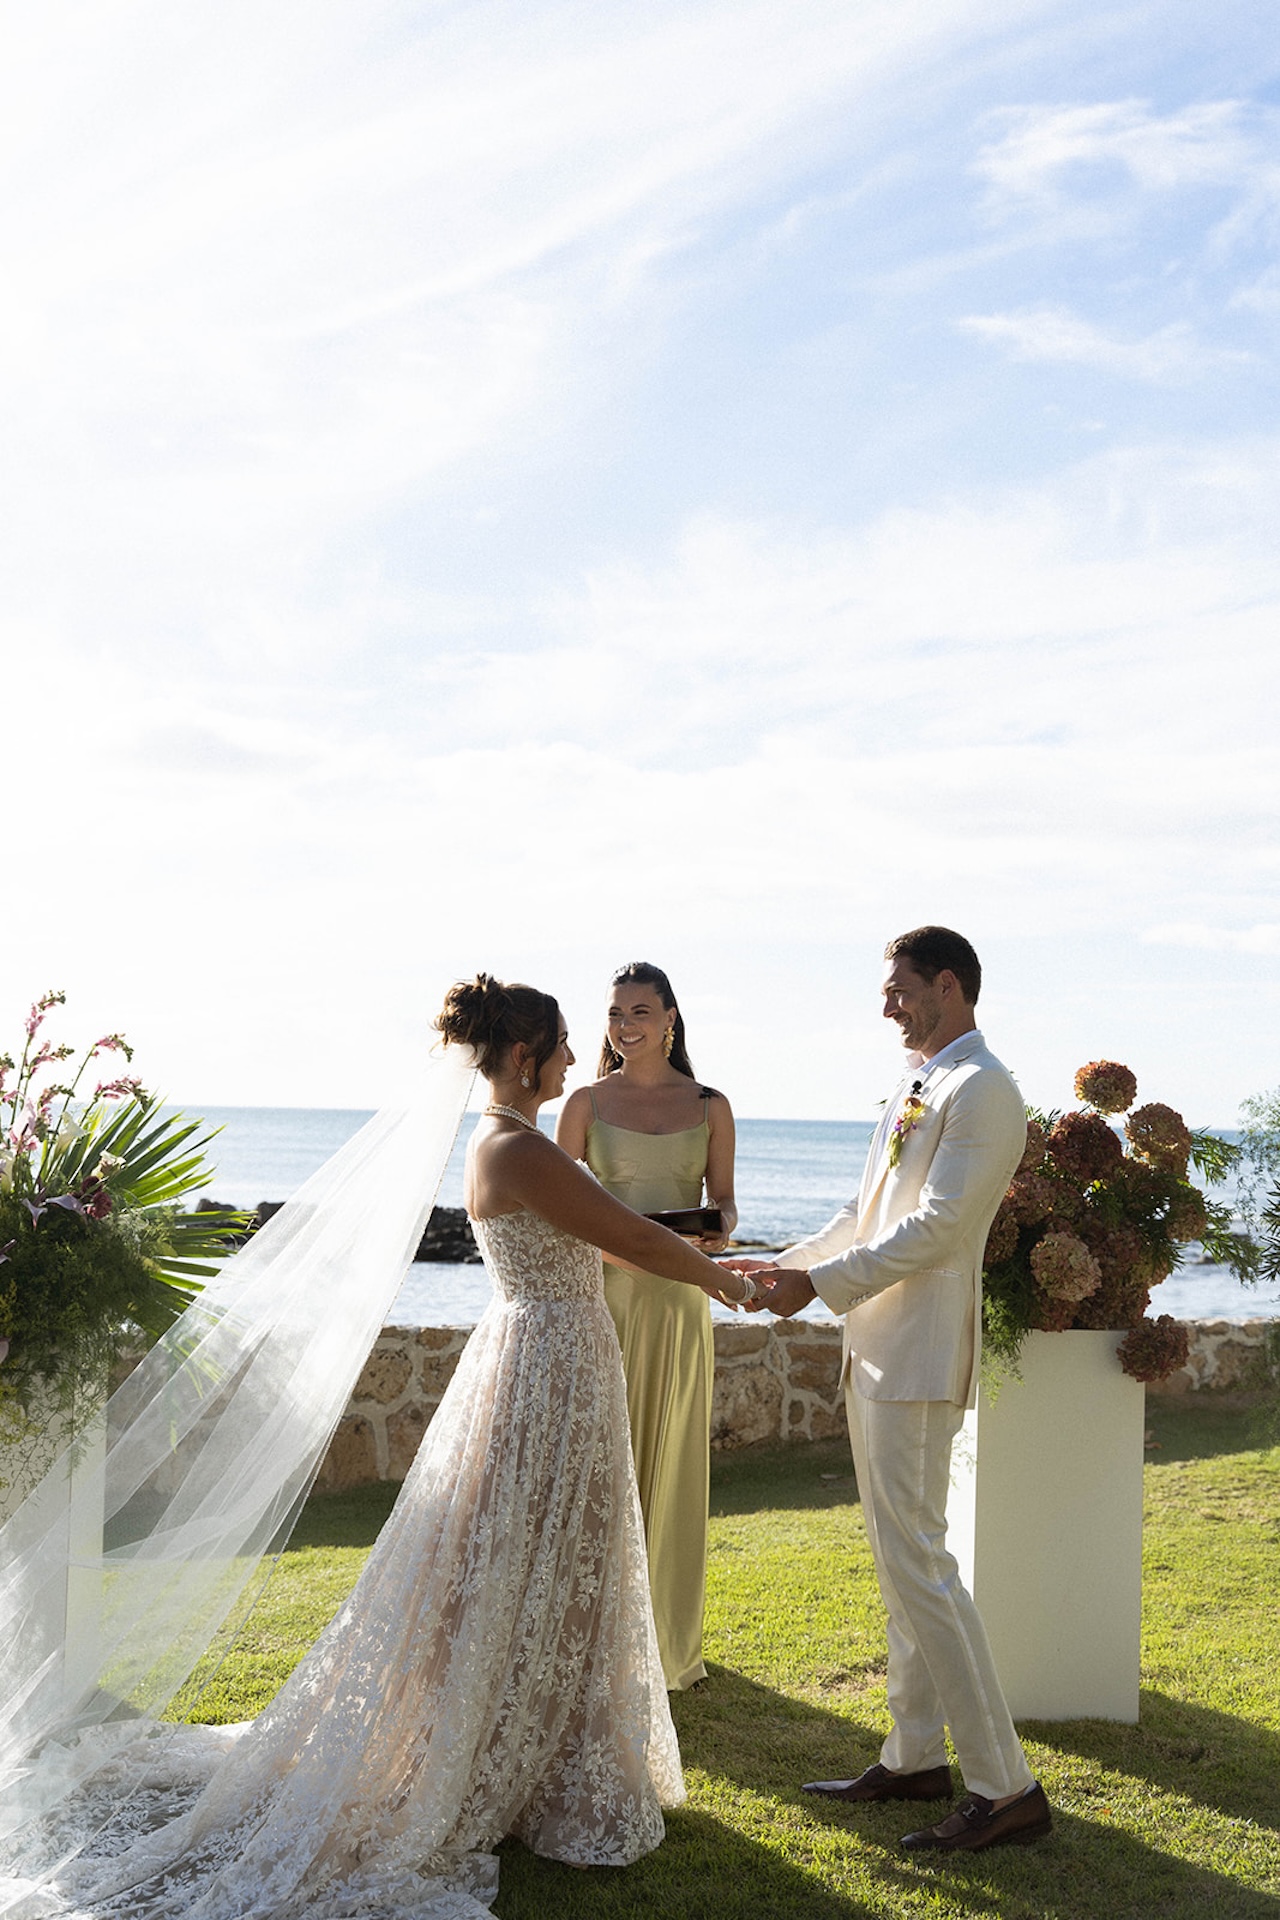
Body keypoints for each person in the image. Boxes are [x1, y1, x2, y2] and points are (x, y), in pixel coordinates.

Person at [0, 975, 762, 1920]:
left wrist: (712, 1263)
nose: (576, 1057)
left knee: (553, 1561)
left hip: (549, 1359)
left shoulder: (505, 1142)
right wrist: (739, 1285)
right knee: (544, 1559)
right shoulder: (517, 1147)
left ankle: (540, 1759)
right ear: (524, 1058)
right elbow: (632, 1240)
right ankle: (528, 1766)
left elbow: (617, 1241)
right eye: (562, 1042)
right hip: (549, 1368)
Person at [742, 928, 1052, 1853]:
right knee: (900, 1564)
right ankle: (916, 1757)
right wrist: (786, 1264)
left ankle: (1007, 1789)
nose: (887, 1007)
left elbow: (941, 1227)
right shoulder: (918, 1088)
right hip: (873, 1347)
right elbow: (864, 1214)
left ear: (948, 986)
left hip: (917, 1351)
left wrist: (821, 1288)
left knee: (921, 1565)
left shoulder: (984, 1089)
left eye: (899, 990)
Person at [557, 962, 737, 1691]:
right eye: (613, 1014)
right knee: (604, 1467)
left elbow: (724, 1202)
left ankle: (666, 1650)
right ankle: (594, 1645)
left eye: (639, 1011)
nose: (624, 1025)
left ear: (670, 1017)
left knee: (674, 1462)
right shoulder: (583, 1103)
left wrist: (719, 1231)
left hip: (680, 1302)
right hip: (606, 1299)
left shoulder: (711, 1105)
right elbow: (555, 1210)